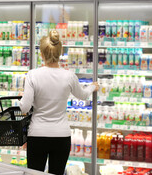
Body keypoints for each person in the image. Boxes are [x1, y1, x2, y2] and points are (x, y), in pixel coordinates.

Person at [19, 30, 99, 175]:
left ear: (41, 54)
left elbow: (25, 107)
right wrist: (93, 86)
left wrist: (21, 98)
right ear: (60, 53)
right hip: (61, 136)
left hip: (37, 135)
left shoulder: (32, 75)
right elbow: (83, 95)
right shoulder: (69, 76)